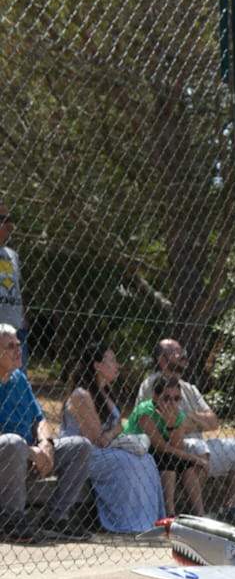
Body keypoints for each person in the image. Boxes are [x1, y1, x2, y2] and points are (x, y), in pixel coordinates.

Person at [0, 323, 91, 542]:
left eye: (18, 345)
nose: (17, 350)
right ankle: (12, 522)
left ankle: (56, 517)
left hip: (32, 456)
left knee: (81, 446)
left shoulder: (19, 379)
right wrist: (30, 450)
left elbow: (39, 418)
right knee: (13, 442)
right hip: (7, 458)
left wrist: (46, 443)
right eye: (10, 346)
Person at [63, 343, 165, 532]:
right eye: (112, 360)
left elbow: (113, 433)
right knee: (127, 461)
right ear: (97, 365)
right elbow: (98, 440)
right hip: (85, 454)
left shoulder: (106, 392)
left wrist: (117, 431)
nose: (118, 365)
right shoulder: (81, 395)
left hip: (106, 449)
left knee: (146, 459)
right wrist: (117, 429)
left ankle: (149, 521)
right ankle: (128, 522)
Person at [137, 340, 235, 513]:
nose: (183, 354)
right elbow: (158, 422)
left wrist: (189, 418)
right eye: (175, 351)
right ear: (162, 360)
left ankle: (229, 508)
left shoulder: (189, 388)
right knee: (198, 449)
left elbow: (214, 422)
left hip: (198, 441)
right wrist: (195, 422)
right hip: (172, 443)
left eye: (181, 349)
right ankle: (194, 512)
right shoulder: (151, 385)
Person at [124, 375, 209, 516]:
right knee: (169, 464)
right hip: (139, 450)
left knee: (186, 466)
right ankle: (169, 514)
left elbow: (177, 447)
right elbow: (162, 446)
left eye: (176, 398)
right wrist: (196, 459)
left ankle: (200, 514)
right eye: (166, 398)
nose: (172, 403)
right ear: (155, 397)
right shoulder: (145, 412)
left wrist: (171, 424)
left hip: (163, 452)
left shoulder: (178, 414)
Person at [0, 205, 27, 367]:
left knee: (16, 378)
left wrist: (24, 318)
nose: (10, 225)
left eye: (10, 220)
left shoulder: (12, 255)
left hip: (16, 329)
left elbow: (17, 288)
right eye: (4, 220)